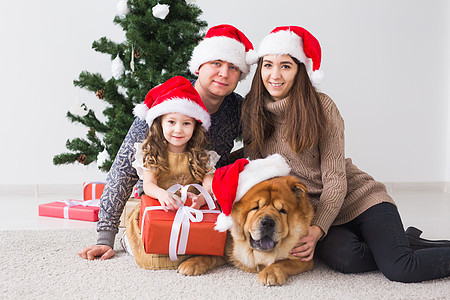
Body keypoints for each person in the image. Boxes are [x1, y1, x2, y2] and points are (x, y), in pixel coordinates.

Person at [241, 26, 450, 283]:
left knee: (400, 268)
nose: (275, 75)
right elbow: (252, 170)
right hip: (321, 214)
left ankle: (396, 249)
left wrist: (318, 229)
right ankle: (401, 242)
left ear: (300, 71)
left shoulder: (322, 107)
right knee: (345, 260)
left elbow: (335, 178)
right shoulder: (252, 109)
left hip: (359, 200)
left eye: (285, 66)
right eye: (268, 65)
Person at [78, 24, 257, 261]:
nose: (224, 73)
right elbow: (123, 168)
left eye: (233, 67)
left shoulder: (238, 108)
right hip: (161, 201)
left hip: (204, 198)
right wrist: (105, 237)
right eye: (216, 63)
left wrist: (227, 170)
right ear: (200, 65)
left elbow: (262, 148)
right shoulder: (166, 103)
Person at [125, 75, 218, 269]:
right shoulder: (151, 152)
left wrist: (202, 199)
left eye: (186, 123)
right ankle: (129, 240)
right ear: (160, 123)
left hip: (189, 211)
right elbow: (149, 185)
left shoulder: (203, 156)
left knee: (198, 247)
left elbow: (210, 186)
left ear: (195, 126)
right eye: (171, 122)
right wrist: (162, 194)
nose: (178, 130)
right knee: (152, 256)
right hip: (161, 209)